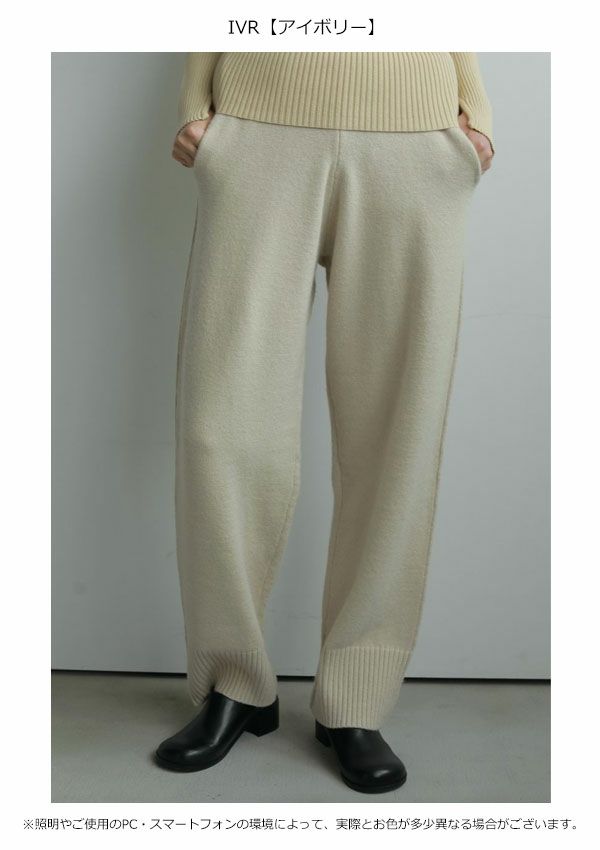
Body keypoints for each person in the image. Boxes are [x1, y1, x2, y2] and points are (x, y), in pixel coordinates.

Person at [154, 52, 495, 794]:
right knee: (223, 428)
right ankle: (234, 683)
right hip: (258, 128)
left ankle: (355, 698)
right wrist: (194, 107)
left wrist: (476, 114)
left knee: (396, 432)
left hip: (416, 137)